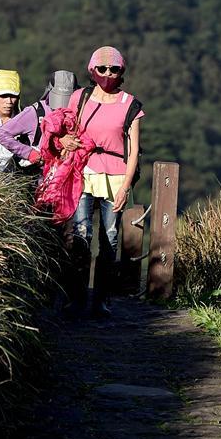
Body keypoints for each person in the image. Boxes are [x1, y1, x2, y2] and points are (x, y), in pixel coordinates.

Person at [63, 46, 143, 317]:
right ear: (92, 70)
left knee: (109, 239)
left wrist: (125, 187)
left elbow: (133, 151)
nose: (108, 74)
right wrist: (64, 142)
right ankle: (76, 297)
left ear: (122, 72)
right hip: (83, 172)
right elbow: (65, 129)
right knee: (81, 236)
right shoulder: (79, 98)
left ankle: (100, 300)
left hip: (116, 176)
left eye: (114, 69)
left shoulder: (129, 104)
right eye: (103, 68)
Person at [0, 70, 79, 170]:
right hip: (37, 177)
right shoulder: (35, 112)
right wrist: (29, 153)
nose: (61, 107)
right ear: (49, 90)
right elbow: (2, 134)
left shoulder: (81, 111)